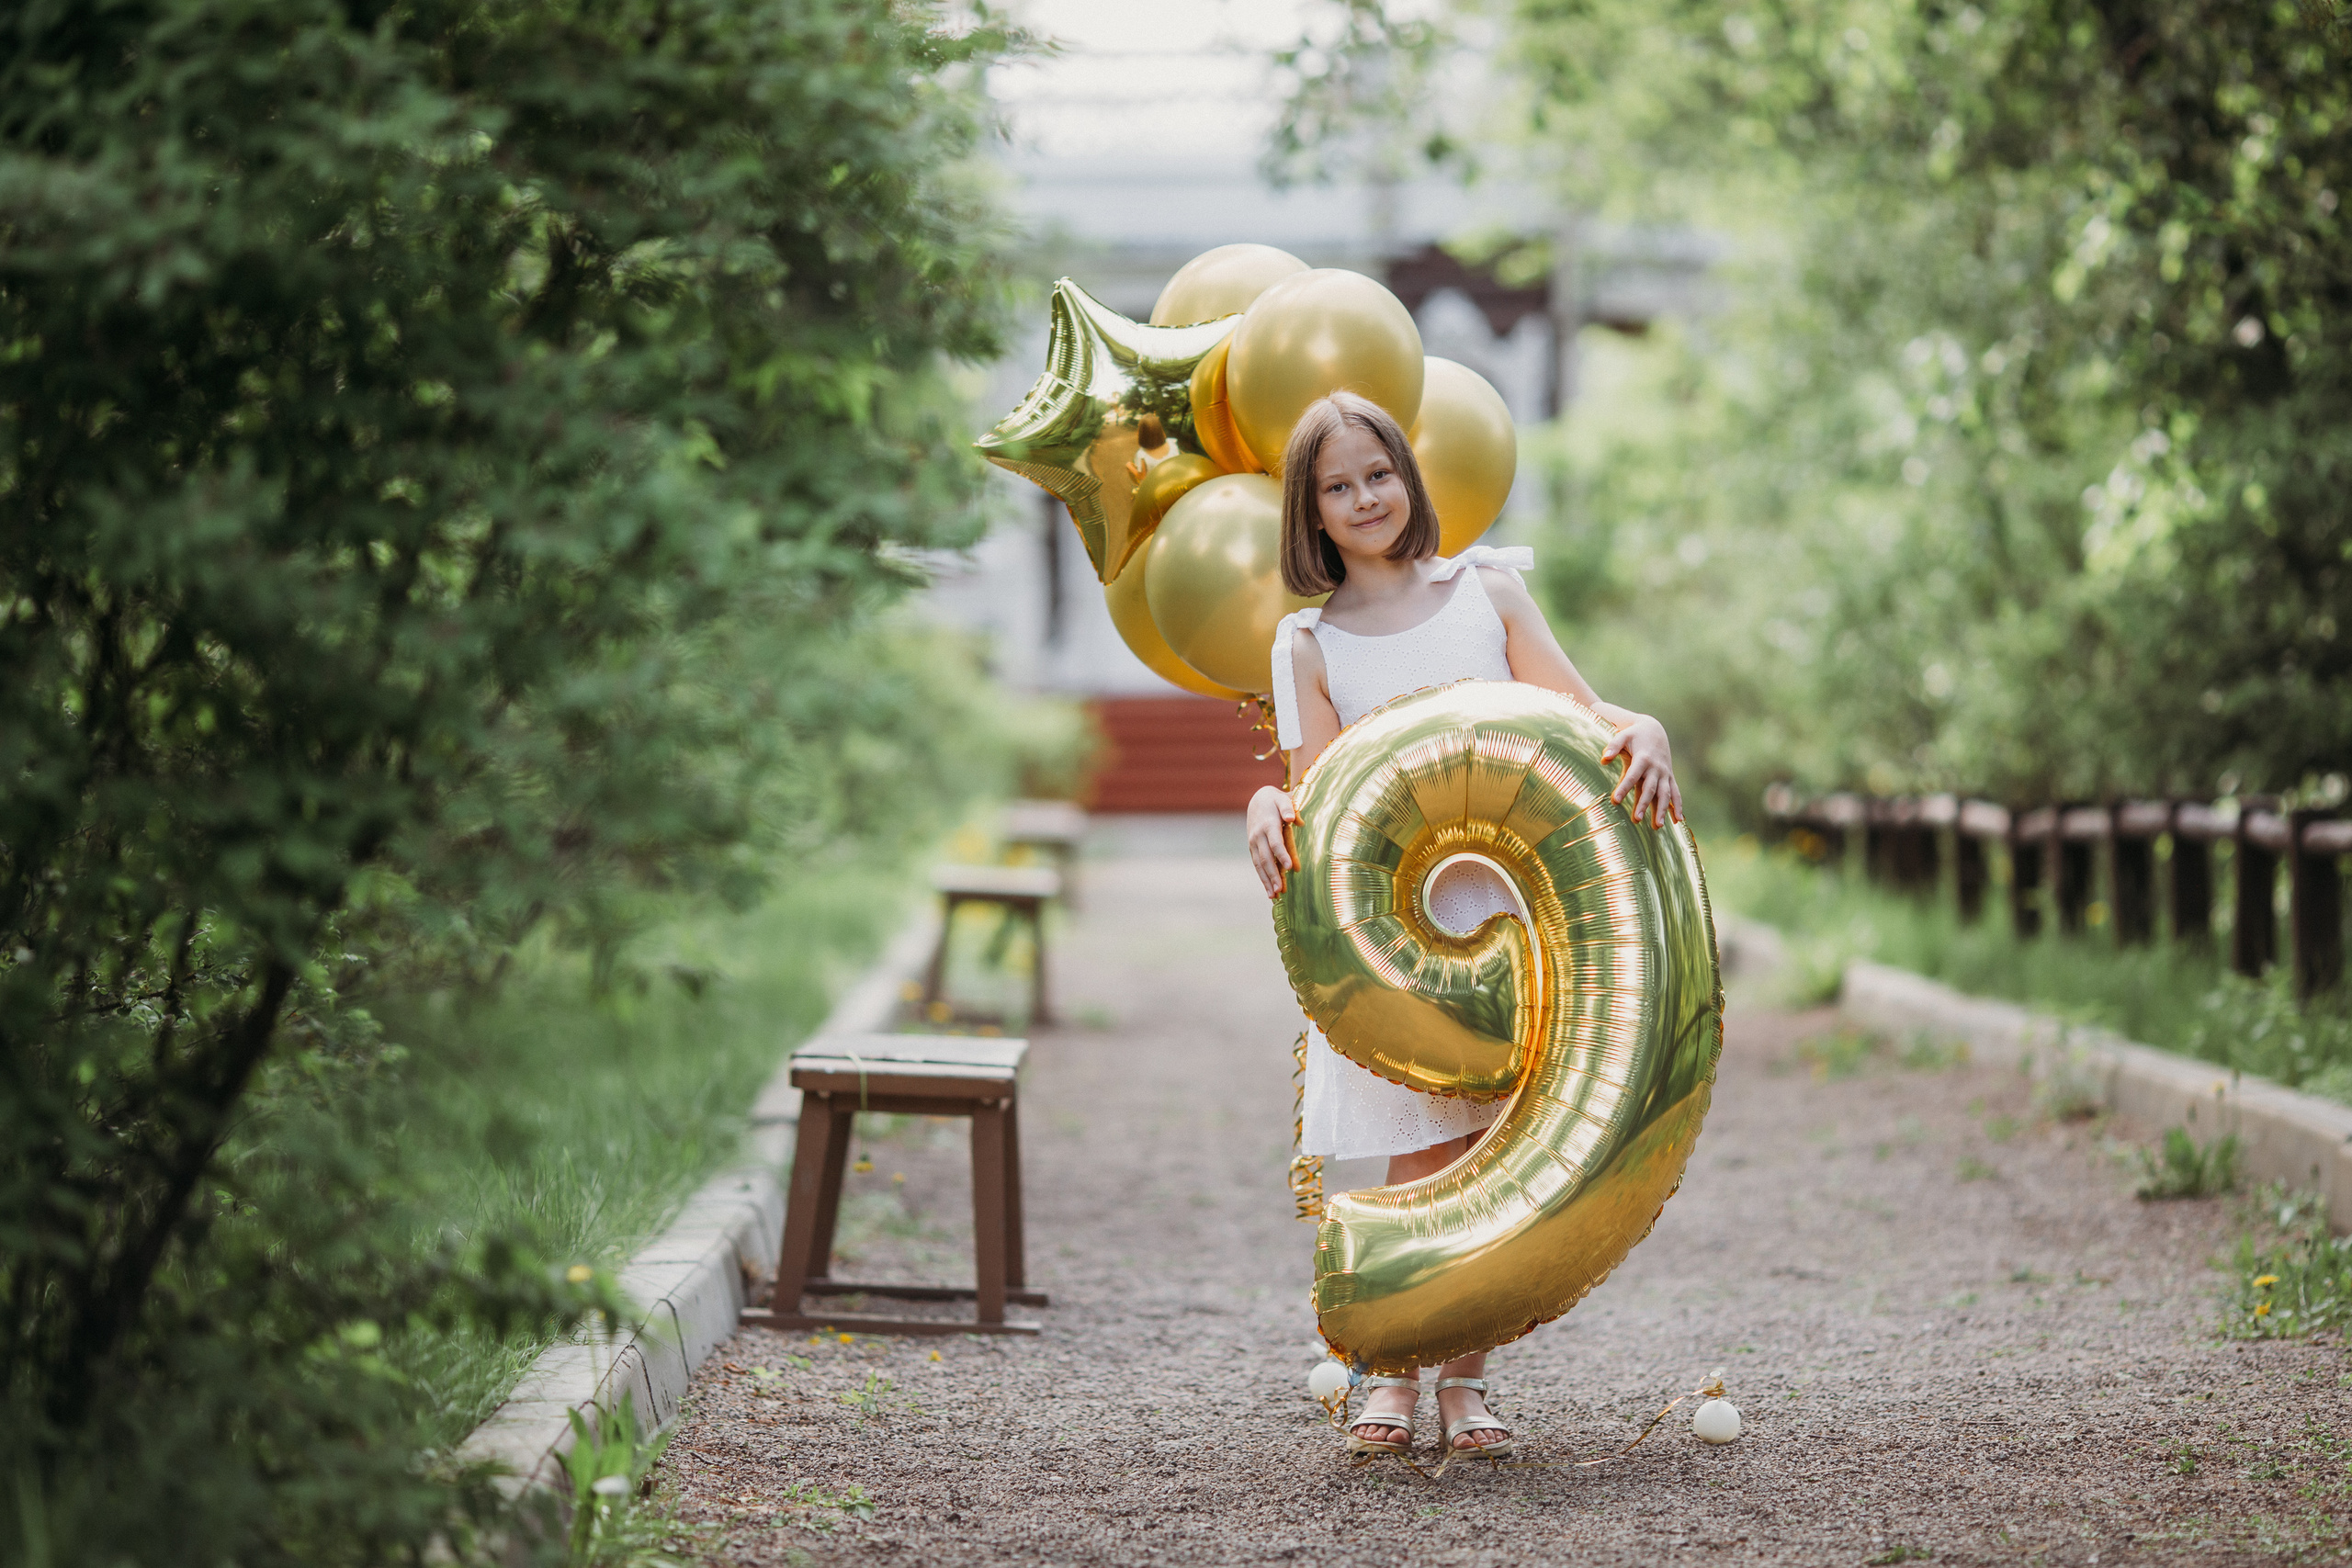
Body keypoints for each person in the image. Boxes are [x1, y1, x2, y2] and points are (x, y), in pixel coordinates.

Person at [1243, 389, 1684, 1460]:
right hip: (1395, 937)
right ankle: (1392, 1374)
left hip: (1515, 915)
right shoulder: (1306, 643)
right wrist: (1262, 802)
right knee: (1419, 1151)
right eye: (1337, 487)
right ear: (1311, 511)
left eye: (1377, 474)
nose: (1363, 498)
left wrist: (1649, 727)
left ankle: (1465, 1386)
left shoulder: (1484, 590)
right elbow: (1316, 790)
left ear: (1409, 474)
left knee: (1503, 1151)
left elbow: (1588, 715)